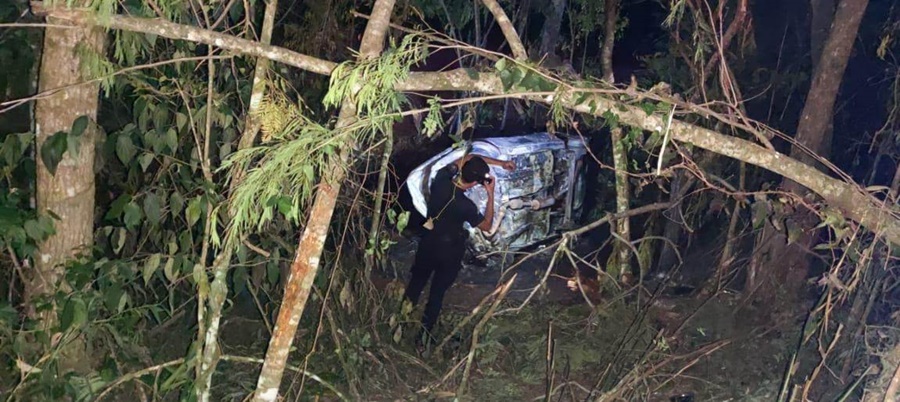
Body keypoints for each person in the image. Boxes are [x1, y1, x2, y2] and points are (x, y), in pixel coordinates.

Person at [403, 153, 514, 348]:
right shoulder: (466, 206)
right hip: (450, 251)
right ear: (477, 182)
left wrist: (498, 164)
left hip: (428, 243)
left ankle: (401, 323)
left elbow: (469, 156)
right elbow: (487, 226)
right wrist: (490, 193)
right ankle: (424, 336)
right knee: (437, 293)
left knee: (417, 282)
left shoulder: (441, 180)